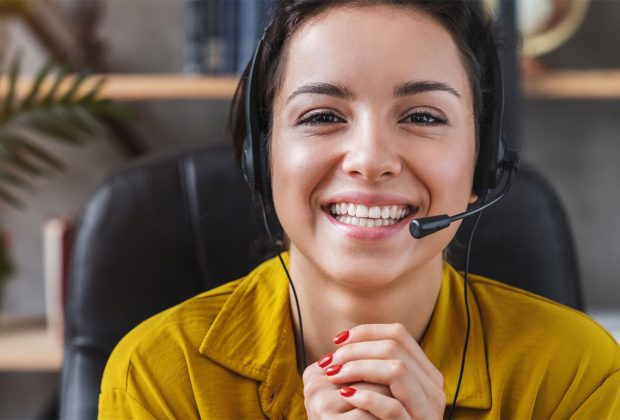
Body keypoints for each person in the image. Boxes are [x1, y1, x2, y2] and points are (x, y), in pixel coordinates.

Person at [99, 1, 620, 418]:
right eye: (323, 114)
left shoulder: (578, 376)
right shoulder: (161, 374)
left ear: (480, 164)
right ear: (263, 156)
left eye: (422, 115)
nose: (371, 160)